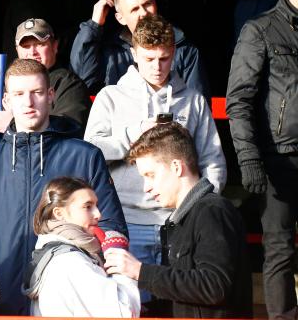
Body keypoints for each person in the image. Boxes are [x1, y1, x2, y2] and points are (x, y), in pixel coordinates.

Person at [0, 58, 127, 314]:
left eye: (36, 92)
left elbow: (110, 227)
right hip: (1, 304)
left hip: (68, 304)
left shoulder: (85, 156)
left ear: (50, 96)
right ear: (6, 101)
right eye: (19, 94)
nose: (28, 102)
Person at [84, 14, 226, 306]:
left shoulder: (193, 100)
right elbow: (90, 153)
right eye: (149, 59)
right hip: (128, 221)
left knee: (184, 304)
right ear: (134, 53)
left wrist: (199, 208)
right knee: (133, 307)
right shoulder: (110, 97)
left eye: (164, 58)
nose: (157, 67)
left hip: (182, 223)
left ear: (173, 53)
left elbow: (213, 159)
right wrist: (133, 134)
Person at [104, 122, 252, 319]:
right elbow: (184, 293)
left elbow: (214, 286)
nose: (146, 187)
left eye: (151, 175)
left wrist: (140, 271)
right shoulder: (183, 218)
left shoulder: (212, 211)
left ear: (176, 167)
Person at [226, 0, 298, 320]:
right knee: (280, 249)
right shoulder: (260, 29)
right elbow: (238, 101)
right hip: (279, 156)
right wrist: (250, 158)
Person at [23, 176, 140, 317]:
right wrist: (123, 270)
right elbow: (123, 314)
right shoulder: (71, 263)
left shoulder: (57, 252)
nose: (98, 214)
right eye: (87, 207)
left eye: (96, 205)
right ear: (59, 213)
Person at [70, 0, 209, 95]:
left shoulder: (183, 48)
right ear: (120, 18)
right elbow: (83, 82)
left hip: (171, 126)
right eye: (134, 9)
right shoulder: (110, 49)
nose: (143, 13)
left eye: (147, 4)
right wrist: (94, 25)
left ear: (155, 4)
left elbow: (197, 105)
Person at [0, 18, 90, 146]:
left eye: (40, 44)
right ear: (17, 50)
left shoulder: (69, 83)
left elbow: (71, 128)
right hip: (8, 160)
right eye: (25, 46)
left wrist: (13, 124)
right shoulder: (9, 84)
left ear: (55, 46)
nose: (32, 52)